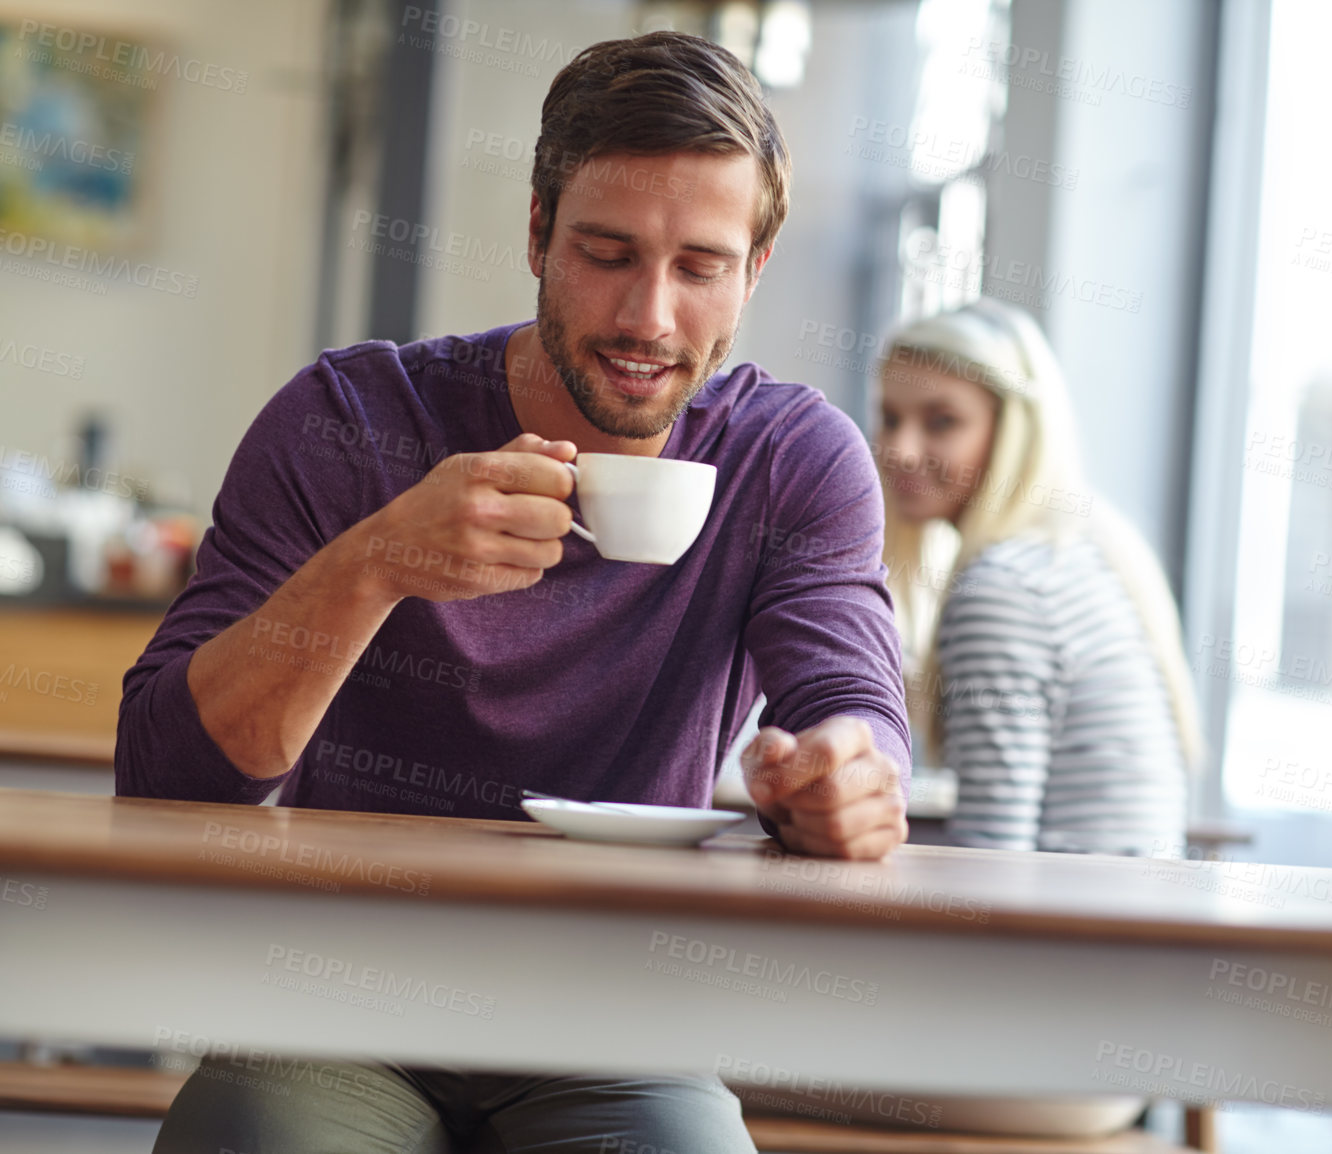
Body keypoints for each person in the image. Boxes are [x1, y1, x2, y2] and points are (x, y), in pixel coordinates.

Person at [121, 31, 911, 1154]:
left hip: (618, 1015)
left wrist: (846, 774)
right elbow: (164, 775)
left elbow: (854, 704)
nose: (649, 317)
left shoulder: (792, 460)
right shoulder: (347, 420)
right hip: (328, 999)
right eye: (606, 251)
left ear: (755, 269)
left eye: (699, 267)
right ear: (536, 231)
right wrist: (374, 562)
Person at [874, 297, 1203, 857]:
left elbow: (992, 857)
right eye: (889, 417)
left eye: (942, 421)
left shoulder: (1002, 588)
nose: (900, 451)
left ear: (1014, 431)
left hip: (1074, 935)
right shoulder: (1085, 548)